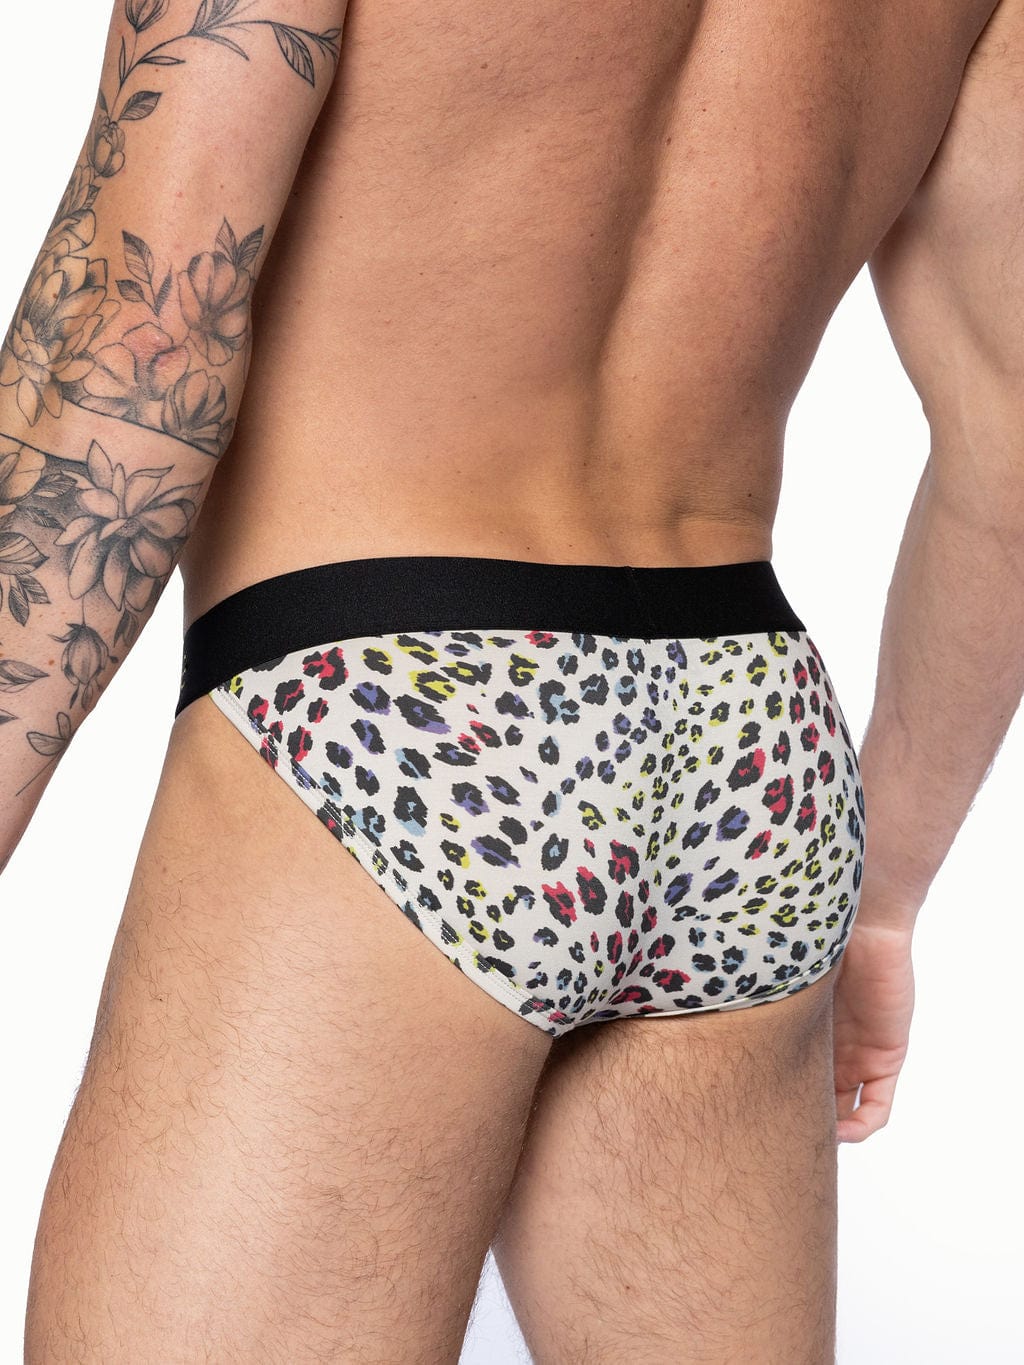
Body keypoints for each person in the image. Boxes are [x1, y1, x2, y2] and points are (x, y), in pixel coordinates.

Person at [1, 0, 1021, 1358]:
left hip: (388, 712)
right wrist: (880, 899)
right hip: (750, 754)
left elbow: (138, 336)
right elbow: (1012, 437)